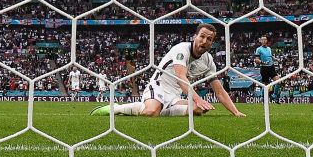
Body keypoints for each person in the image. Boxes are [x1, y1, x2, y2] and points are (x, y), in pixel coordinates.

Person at [90, 24, 245, 117]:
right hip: (158, 87)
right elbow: (181, 77)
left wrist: (235, 112)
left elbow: (219, 91)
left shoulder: (208, 61)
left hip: (175, 95)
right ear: (195, 36)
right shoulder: (181, 50)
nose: (204, 41)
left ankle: (163, 108)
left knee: (198, 110)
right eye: (202, 36)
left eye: (209, 39)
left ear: (212, 42)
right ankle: (116, 108)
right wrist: (197, 98)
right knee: (150, 113)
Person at [255, 35, 281, 103]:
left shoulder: (269, 48)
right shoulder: (259, 49)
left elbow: (270, 55)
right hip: (264, 68)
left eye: (264, 39)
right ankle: (263, 98)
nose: (263, 41)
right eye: (262, 40)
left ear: (267, 41)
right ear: (260, 41)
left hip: (271, 67)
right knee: (266, 85)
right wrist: (262, 62)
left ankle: (274, 96)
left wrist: (275, 58)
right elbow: (256, 60)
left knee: (278, 81)